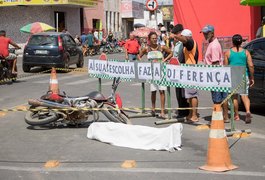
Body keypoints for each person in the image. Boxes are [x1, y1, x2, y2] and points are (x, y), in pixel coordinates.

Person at [139, 32, 173, 119]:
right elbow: (139, 56)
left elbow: (171, 53)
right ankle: (153, 109)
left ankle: (162, 111)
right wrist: (144, 63)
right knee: (153, 92)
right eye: (153, 38)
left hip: (161, 72)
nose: (154, 39)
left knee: (162, 91)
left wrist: (164, 60)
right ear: (149, 39)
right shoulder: (146, 48)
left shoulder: (161, 47)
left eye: (156, 38)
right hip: (152, 73)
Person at [200, 24, 229, 122]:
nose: (204, 35)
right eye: (204, 33)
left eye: (206, 33)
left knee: (217, 98)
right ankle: (225, 117)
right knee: (223, 96)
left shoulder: (214, 46)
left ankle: (220, 117)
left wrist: (212, 76)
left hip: (215, 75)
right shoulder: (212, 44)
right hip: (218, 74)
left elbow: (216, 63)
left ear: (212, 33)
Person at [224, 34, 254, 124]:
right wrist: (252, 77)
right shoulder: (246, 52)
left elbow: (225, 67)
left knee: (234, 96)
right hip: (243, 75)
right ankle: (248, 111)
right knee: (244, 95)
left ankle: (236, 115)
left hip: (233, 75)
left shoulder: (228, 53)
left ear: (233, 42)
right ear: (241, 42)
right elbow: (251, 66)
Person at [170, 28, 199, 122]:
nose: (180, 38)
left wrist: (175, 36)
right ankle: (191, 113)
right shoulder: (186, 44)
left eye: (181, 36)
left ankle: (194, 115)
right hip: (187, 71)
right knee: (189, 95)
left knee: (193, 94)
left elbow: (185, 40)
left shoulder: (190, 42)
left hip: (191, 70)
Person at [170, 24, 189, 119]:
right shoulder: (176, 44)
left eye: (176, 34)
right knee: (178, 92)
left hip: (182, 69)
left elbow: (181, 57)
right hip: (176, 70)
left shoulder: (183, 43)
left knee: (183, 92)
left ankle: (184, 111)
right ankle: (181, 109)